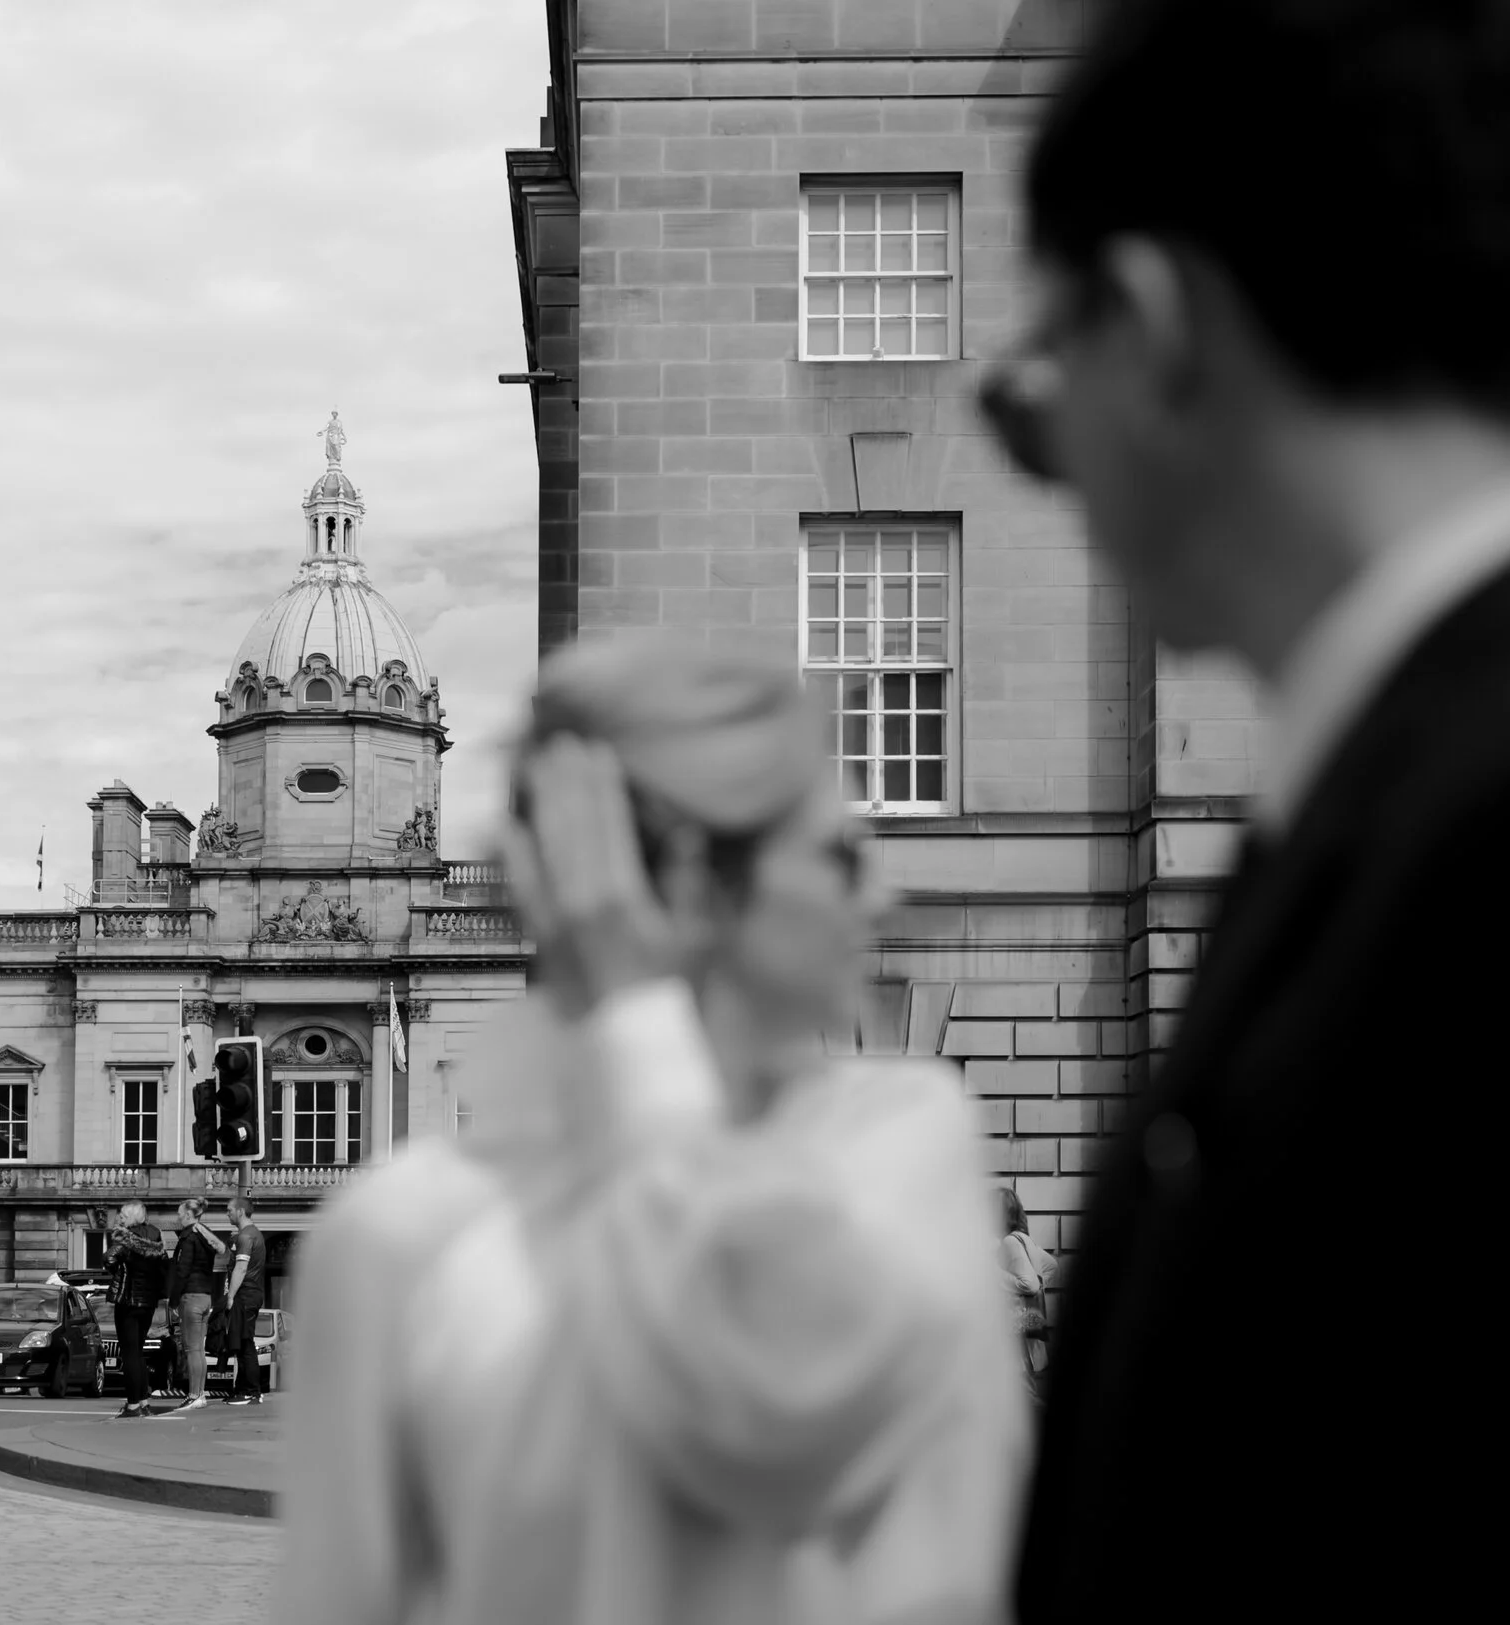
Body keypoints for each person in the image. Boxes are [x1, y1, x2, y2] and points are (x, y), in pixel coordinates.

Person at [976, 3, 1510, 1618]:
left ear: (1151, 328)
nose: (1051, 458)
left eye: (1033, 388)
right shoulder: (1386, 787)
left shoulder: (1479, 818)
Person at [275, 645, 1025, 1625]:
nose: (877, 893)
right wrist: (636, 990)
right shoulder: (394, 1236)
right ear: (681, 877)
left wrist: (631, 1002)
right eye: (837, 852)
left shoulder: (900, 1135)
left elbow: (775, 1397)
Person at [163, 1196, 227, 1414]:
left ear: (189, 1214)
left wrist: (173, 1300)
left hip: (190, 1296)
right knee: (199, 1349)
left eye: (180, 1213)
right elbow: (221, 1250)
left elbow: (182, 1271)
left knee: (191, 1349)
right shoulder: (204, 1235)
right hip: (206, 1296)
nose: (178, 1216)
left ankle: (193, 1395)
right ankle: (200, 1394)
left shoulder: (188, 1238)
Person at [104, 1201, 167, 1418]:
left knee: (129, 1354)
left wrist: (119, 1270)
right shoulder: (155, 1235)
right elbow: (163, 1266)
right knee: (138, 1352)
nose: (119, 1217)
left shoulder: (126, 1237)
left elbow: (108, 1258)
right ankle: (144, 1401)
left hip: (128, 1302)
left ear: (131, 1216)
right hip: (148, 1302)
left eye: (122, 1214)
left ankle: (132, 1405)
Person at [997, 1189, 1055, 1397]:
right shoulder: (1022, 1238)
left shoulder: (1009, 1242)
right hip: (1026, 1323)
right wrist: (1037, 1287)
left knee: (1022, 1394)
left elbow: (1028, 1284)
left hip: (1016, 1326)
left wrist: (998, 1275)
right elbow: (1051, 1265)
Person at [222, 1195, 268, 1404]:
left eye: (230, 1210)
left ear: (240, 1211)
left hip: (245, 1294)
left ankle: (251, 1391)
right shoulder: (253, 1234)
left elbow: (241, 1268)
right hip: (253, 1293)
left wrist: (230, 1296)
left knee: (245, 1342)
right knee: (241, 1341)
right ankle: (244, 1390)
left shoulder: (246, 1236)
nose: (227, 1213)